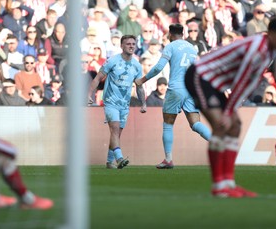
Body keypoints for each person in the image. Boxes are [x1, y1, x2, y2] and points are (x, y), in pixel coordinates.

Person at [184, 18, 276, 197]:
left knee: (235, 125)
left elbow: (253, 81)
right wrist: (228, 111)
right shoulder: (257, 48)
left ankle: (229, 183)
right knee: (222, 124)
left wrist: (232, 109)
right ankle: (219, 186)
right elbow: (242, 80)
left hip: (215, 82)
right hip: (200, 75)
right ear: (271, 34)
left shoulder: (271, 53)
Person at [135, 24, 211, 169]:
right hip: (191, 89)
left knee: (168, 125)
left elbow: (158, 67)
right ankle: (217, 143)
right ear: (183, 33)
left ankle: (168, 159)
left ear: (170, 34)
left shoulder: (170, 46)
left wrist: (142, 80)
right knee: (195, 123)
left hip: (176, 88)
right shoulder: (192, 48)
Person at [88, 35, 147, 169]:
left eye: (133, 44)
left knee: (117, 134)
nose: (131, 46)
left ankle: (109, 162)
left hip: (124, 104)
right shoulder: (112, 61)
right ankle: (119, 158)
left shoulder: (137, 66)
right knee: (114, 130)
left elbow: (139, 86)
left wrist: (143, 103)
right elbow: (98, 78)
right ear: (121, 46)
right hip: (110, 101)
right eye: (128, 44)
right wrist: (89, 94)